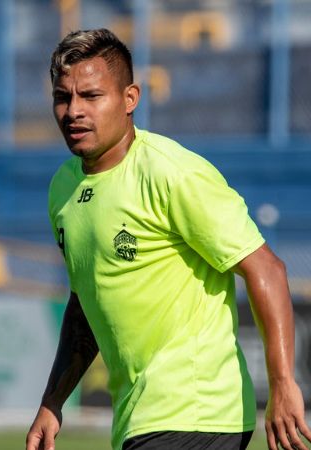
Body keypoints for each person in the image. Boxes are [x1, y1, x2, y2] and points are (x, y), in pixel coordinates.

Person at [26, 29, 311, 450]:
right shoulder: (63, 188)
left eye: (91, 96)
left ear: (130, 99)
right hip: (140, 418)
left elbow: (266, 267)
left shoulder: (172, 173)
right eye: (62, 97)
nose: (73, 111)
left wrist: (284, 383)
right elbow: (85, 302)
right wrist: (53, 402)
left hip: (196, 410)